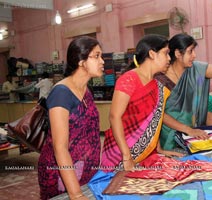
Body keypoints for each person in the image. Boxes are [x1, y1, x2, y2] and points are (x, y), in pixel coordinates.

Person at [100, 34, 183, 172]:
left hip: (147, 156)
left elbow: (154, 120)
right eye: (166, 53)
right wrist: (127, 156)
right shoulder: (129, 80)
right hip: (119, 155)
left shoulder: (158, 85)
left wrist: (159, 150)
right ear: (152, 54)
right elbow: (115, 117)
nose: (169, 58)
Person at [38, 36, 104, 200]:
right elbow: (60, 148)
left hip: (87, 171)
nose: (102, 61)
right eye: (97, 56)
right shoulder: (61, 93)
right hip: (63, 175)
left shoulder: (86, 91)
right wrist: (76, 194)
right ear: (81, 61)